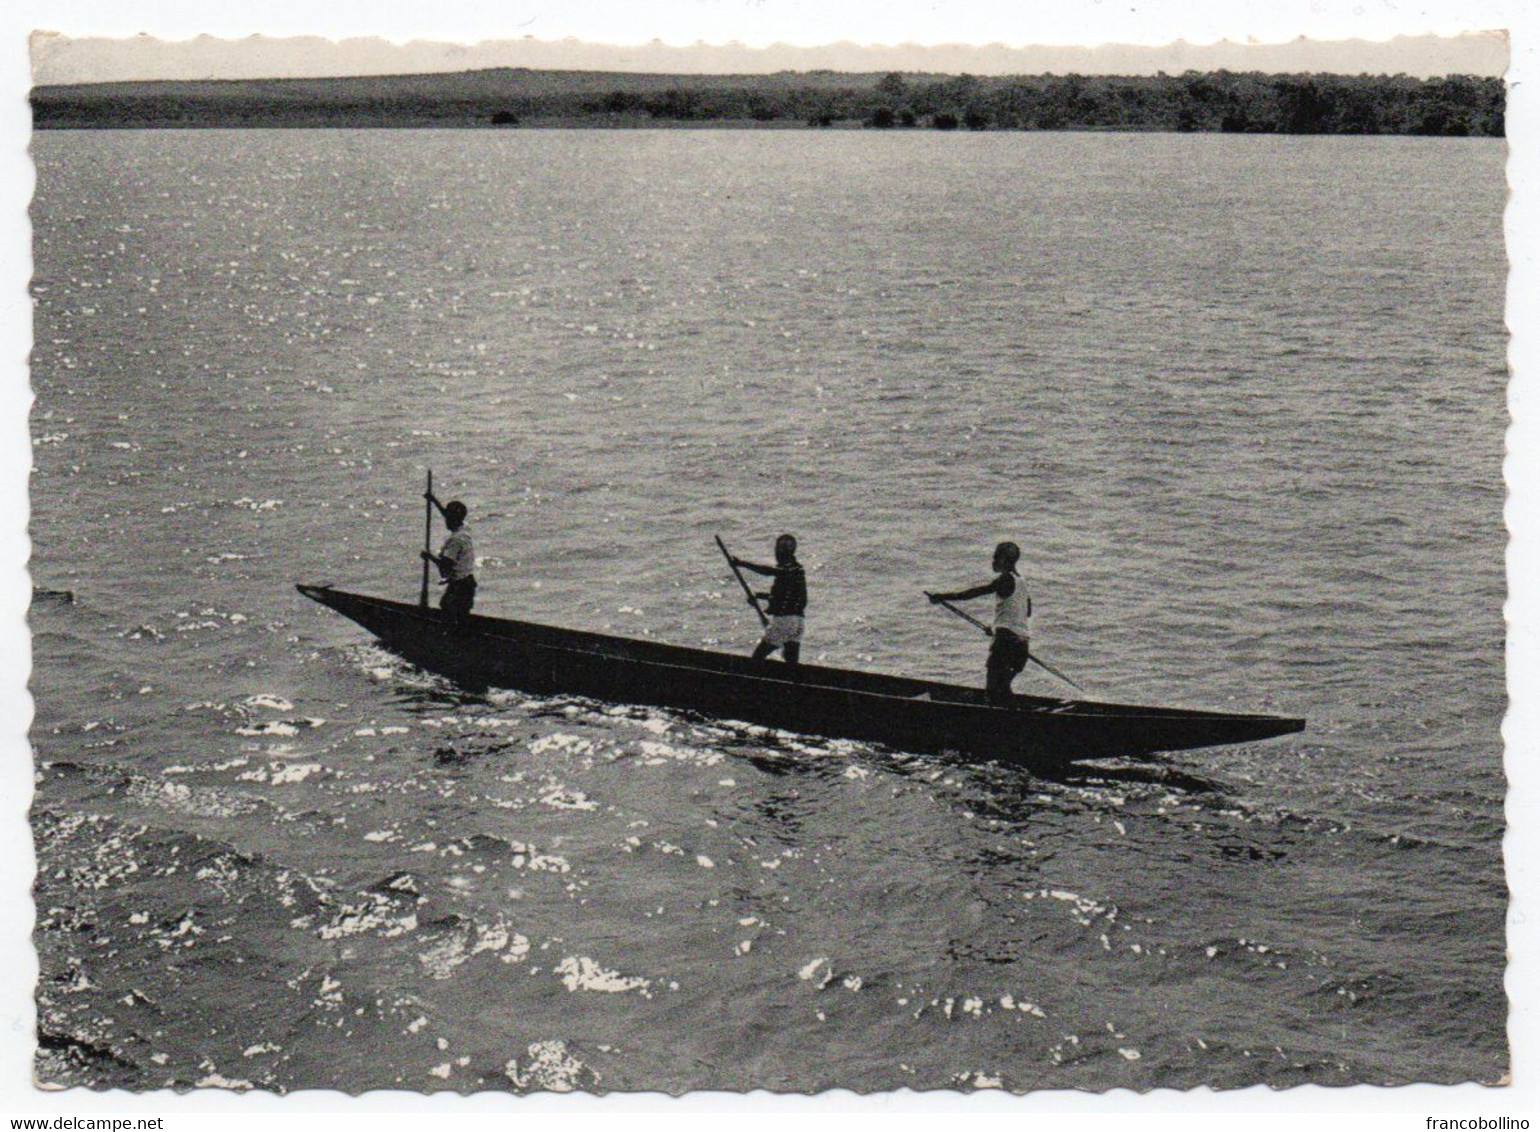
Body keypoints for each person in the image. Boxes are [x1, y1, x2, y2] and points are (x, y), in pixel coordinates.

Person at [929, 541, 1031, 705]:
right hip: (1022, 645)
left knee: (992, 691)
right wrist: (998, 628)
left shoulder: (1004, 579)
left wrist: (942, 597)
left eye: (996, 557)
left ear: (1004, 559)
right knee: (1003, 689)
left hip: (1005, 643)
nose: (993, 561)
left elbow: (974, 593)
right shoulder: (1022, 582)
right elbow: (1027, 612)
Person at [732, 534, 807, 665]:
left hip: (784, 622)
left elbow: (768, 571)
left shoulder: (787, 568)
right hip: (799, 623)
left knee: (757, 657)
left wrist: (742, 564)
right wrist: (759, 596)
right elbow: (782, 596)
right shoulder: (797, 570)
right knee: (792, 665)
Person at [420, 494, 476, 617]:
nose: (446, 521)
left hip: (460, 586)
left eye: (448, 518)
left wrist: (429, 557)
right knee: (451, 609)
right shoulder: (464, 529)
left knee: (450, 610)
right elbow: (447, 515)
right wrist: (434, 501)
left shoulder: (455, 541)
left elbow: (446, 564)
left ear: (453, 520)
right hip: (467, 582)